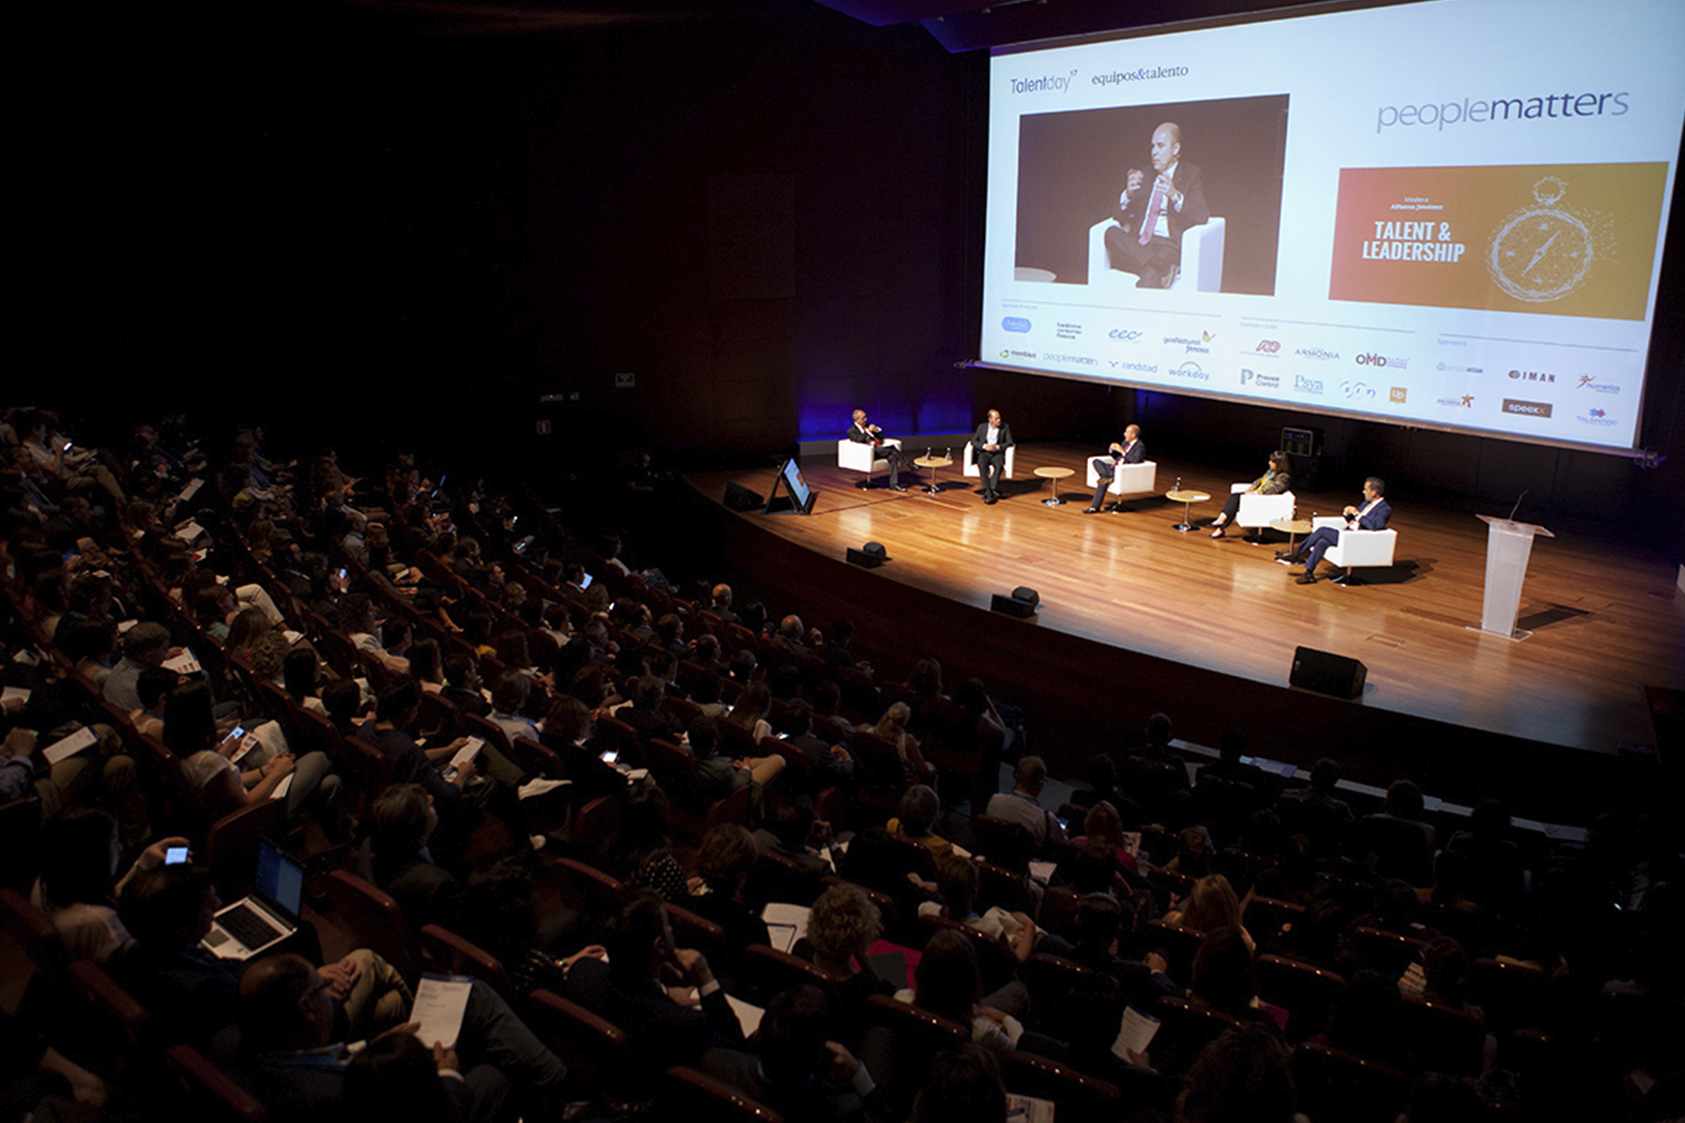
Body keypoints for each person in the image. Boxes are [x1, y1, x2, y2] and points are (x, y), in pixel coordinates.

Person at [1103, 121, 1210, 290]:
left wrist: (1174, 195)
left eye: (1160, 146)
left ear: (1175, 149)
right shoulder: (1145, 173)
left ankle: (1153, 266)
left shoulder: (1191, 175)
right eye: (1152, 146)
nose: (1154, 152)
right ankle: (1162, 267)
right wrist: (1128, 195)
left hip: (1167, 244)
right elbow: (1117, 215)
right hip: (1139, 242)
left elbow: (1201, 215)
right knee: (1110, 233)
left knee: (1149, 275)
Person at [1276, 476, 1391, 584]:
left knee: (1322, 531)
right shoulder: (1366, 503)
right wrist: (1347, 513)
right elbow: (1354, 520)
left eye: (1366, 490)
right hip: (1347, 534)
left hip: (1356, 539)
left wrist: (1358, 514)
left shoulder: (1384, 509)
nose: (1363, 492)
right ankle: (1308, 573)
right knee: (1322, 542)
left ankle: (1296, 553)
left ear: (1374, 492)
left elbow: (1374, 525)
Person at [1208, 451, 1293, 538]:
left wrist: (1256, 493)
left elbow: (1274, 489)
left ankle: (1221, 521)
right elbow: (1260, 480)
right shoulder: (1271, 471)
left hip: (1263, 500)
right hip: (1254, 495)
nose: (1269, 462)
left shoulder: (1284, 477)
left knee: (1236, 498)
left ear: (1279, 464)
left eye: (1272, 461)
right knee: (1235, 501)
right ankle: (1221, 525)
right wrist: (1251, 488)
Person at [1083, 424, 1145, 513]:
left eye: (1126, 432)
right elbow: (1116, 457)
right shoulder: (1125, 443)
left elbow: (1135, 460)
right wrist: (1112, 449)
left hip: (1123, 470)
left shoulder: (1140, 446)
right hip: (1114, 467)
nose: (1124, 434)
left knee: (1103, 481)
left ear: (1133, 435)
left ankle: (1094, 507)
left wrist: (1122, 452)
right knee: (1096, 461)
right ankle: (1108, 475)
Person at [847, 409, 912, 492]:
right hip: (867, 453)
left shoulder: (868, 426)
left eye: (865, 417)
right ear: (857, 420)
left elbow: (881, 437)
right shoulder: (851, 431)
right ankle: (909, 464)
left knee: (893, 457)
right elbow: (859, 439)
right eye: (863, 418)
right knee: (892, 449)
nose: (866, 419)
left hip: (878, 450)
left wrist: (876, 430)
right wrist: (868, 432)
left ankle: (893, 485)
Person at [969, 409, 1013, 504]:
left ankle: (990, 490)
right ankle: (988, 491)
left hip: (996, 453)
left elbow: (1009, 442)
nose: (999, 420)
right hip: (984, 452)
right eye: (996, 418)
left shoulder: (1005, 427)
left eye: (999, 418)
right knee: (982, 465)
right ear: (990, 419)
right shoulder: (982, 427)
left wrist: (997, 447)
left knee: (999, 465)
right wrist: (984, 446)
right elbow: (973, 441)